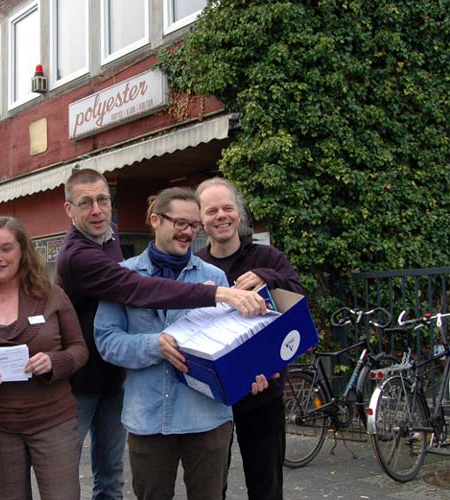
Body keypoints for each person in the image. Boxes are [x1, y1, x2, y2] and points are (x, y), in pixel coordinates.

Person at [55, 169, 267, 500]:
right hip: (147, 419)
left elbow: (236, 344)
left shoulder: (213, 276)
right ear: (155, 221)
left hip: (207, 419)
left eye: (194, 225)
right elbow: (108, 341)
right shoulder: (121, 272)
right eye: (179, 223)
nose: (188, 232)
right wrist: (154, 345)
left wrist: (251, 372)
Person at [0, 216, 88, 500]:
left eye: (6, 249)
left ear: (22, 251)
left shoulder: (51, 295)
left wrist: (53, 361)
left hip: (53, 422)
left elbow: (79, 349)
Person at [196, 177, 304, 500]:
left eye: (227, 207)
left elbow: (299, 297)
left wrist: (267, 277)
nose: (221, 215)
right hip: (213, 399)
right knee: (212, 488)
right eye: (211, 210)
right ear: (201, 219)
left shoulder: (267, 257)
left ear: (239, 215)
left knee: (266, 486)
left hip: (263, 392)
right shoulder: (196, 266)